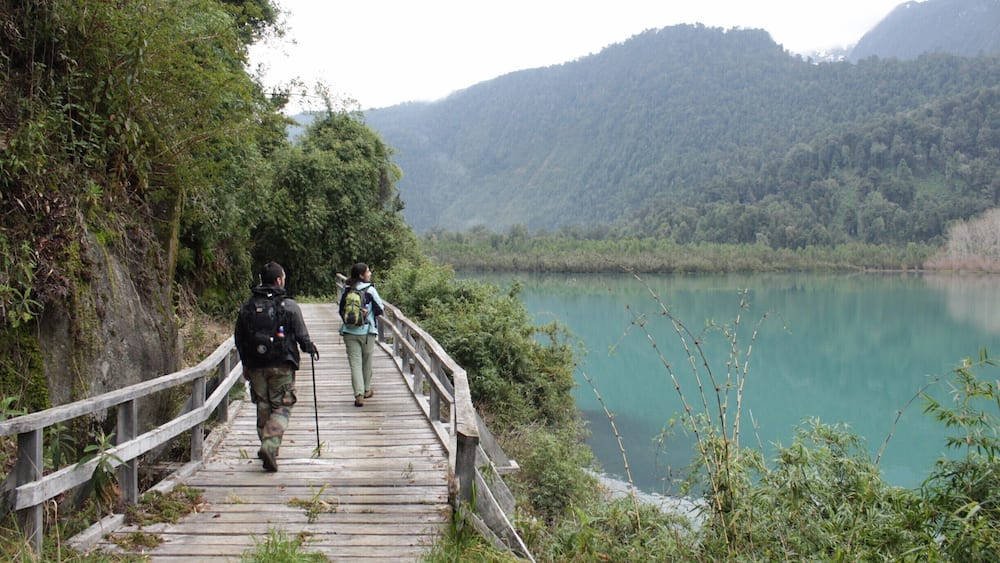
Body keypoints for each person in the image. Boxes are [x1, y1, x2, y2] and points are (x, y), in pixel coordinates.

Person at [234, 261, 319, 472]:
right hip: (282, 364)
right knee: (282, 405)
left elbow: (239, 338)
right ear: (279, 280)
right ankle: (270, 446)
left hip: (256, 365)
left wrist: (245, 363)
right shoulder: (288, 305)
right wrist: (310, 348)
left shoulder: (248, 307)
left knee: (263, 406)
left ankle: (268, 447)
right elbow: (301, 334)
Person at [338, 262, 384, 407]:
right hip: (367, 332)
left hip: (349, 332)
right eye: (368, 271)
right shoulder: (370, 290)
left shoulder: (347, 290)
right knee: (367, 362)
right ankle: (366, 390)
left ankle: (358, 394)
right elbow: (380, 309)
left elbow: (341, 311)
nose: (370, 273)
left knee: (355, 364)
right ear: (361, 275)